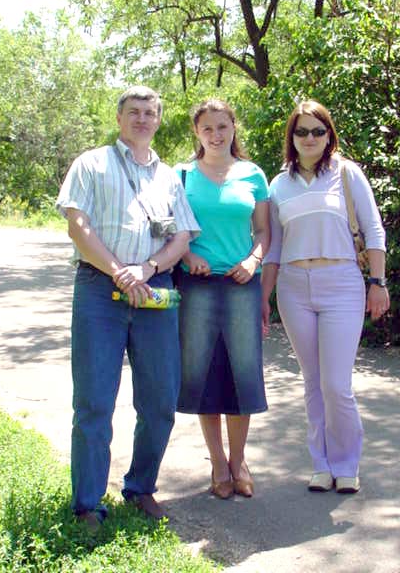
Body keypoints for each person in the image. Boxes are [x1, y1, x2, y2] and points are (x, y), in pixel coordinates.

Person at [56, 85, 200, 529]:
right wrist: (120, 271)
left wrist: (148, 267)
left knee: (159, 401)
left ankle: (140, 488)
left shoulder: (168, 177)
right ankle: (88, 505)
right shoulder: (91, 164)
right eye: (133, 111)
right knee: (94, 401)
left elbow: (182, 236)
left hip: (155, 291)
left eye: (149, 112)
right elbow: (78, 226)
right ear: (119, 118)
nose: (142, 119)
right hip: (100, 289)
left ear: (158, 120)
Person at [261, 100, 390, 494]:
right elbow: (273, 248)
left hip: (342, 284)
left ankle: (347, 463)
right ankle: (321, 464)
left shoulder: (346, 174)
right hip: (294, 288)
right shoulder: (278, 185)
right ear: (292, 137)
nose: (310, 138)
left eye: (318, 130)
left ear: (329, 134)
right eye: (302, 131)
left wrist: (378, 282)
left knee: (336, 384)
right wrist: (263, 298)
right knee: (313, 382)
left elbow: (374, 229)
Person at [175, 99, 270, 499]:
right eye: (207, 128)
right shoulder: (180, 176)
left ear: (234, 128)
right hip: (195, 285)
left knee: (242, 372)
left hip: (241, 283)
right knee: (203, 373)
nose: (215, 135)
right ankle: (217, 462)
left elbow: (263, 232)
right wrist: (187, 256)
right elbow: (170, 230)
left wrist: (253, 261)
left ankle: (239, 460)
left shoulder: (253, 175)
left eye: (222, 126)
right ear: (196, 133)